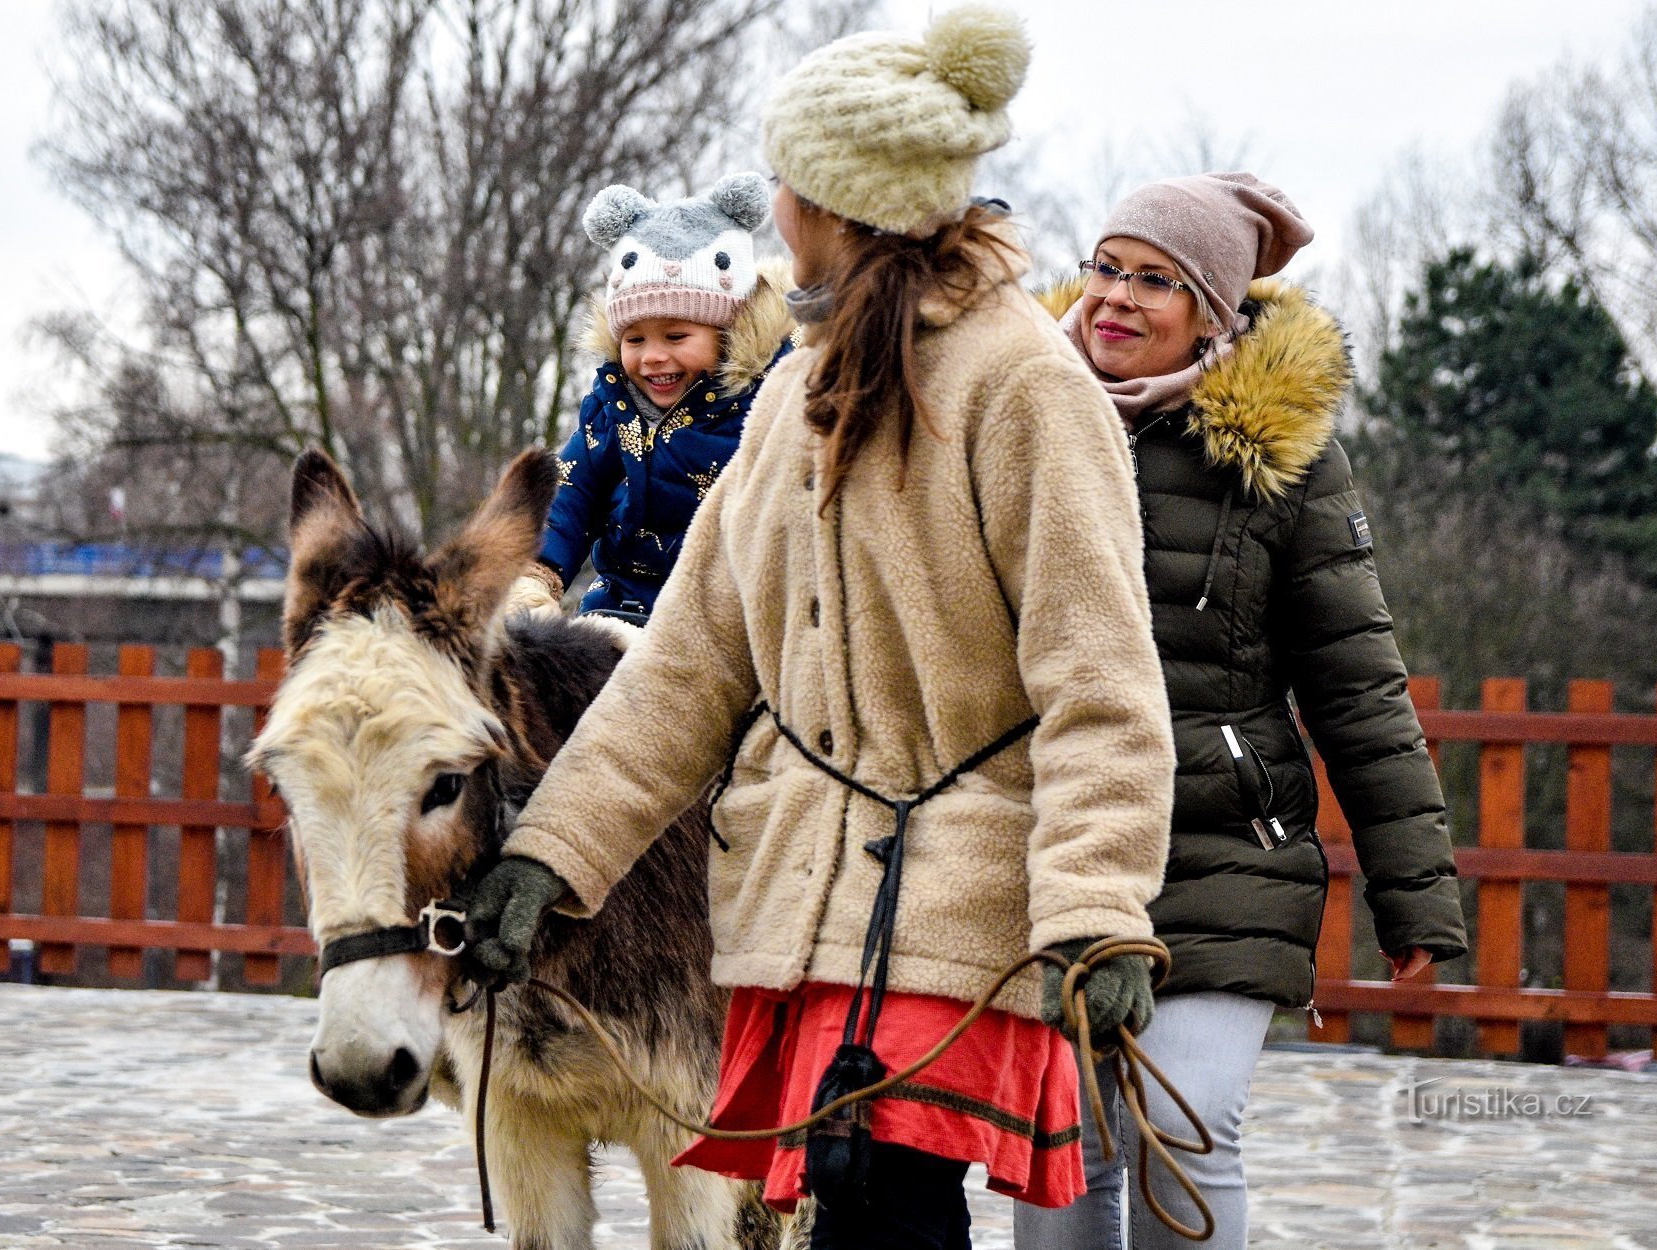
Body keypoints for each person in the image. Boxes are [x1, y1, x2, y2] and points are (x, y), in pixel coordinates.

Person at [467, 7, 1180, 1248]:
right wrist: (553, 855)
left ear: (844, 200)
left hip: (962, 887)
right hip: (797, 893)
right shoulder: (790, 393)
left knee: (884, 1197)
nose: (779, 207)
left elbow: (1102, 680)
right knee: (835, 1205)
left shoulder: (1027, 389)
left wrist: (1099, 907)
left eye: (794, 181)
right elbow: (686, 664)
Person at [1014, 173, 1470, 1250]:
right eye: (1107, 266)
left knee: (1184, 1116)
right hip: (1060, 844)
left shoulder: (1283, 465)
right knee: (1064, 1137)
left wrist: (1414, 891)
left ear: (1214, 310)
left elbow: (1358, 683)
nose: (1116, 297)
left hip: (1224, 844)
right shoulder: (1021, 416)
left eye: (1155, 280)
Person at [506, 173, 794, 622]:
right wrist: (534, 574)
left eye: (676, 336)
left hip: (730, 619)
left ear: (728, 334)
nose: (653, 357)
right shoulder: (611, 408)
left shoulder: (769, 402)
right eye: (635, 340)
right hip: (619, 608)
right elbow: (571, 493)